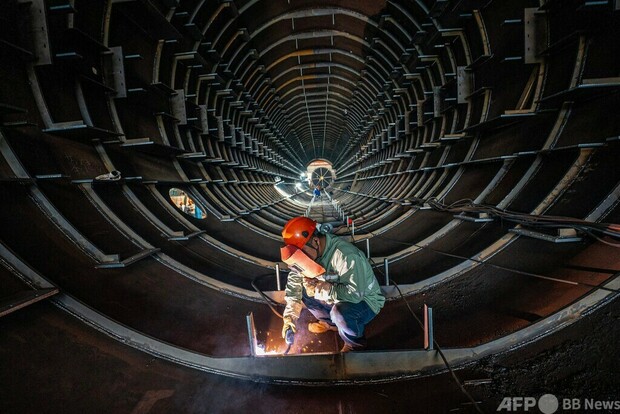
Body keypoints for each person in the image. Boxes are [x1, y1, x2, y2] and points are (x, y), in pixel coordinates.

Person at [281, 216, 385, 352]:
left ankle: (354, 344)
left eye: (303, 254)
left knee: (339, 312)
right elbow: (294, 290)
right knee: (305, 292)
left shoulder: (345, 255)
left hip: (364, 300)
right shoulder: (308, 255)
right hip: (335, 295)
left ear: (316, 241)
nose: (302, 259)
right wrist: (289, 320)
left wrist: (319, 289)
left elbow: (355, 295)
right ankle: (333, 324)